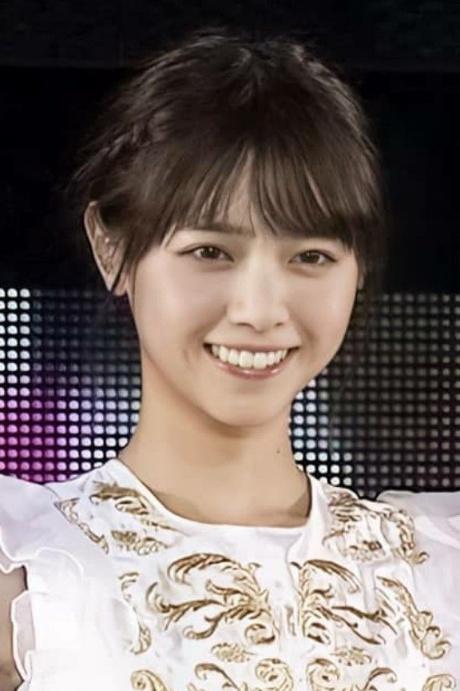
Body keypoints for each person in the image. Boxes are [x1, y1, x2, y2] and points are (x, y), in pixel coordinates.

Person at [0, 26, 459, 691]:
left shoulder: (438, 568)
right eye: (210, 252)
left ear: (358, 269)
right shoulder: (31, 576)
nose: (260, 309)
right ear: (111, 247)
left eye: (311, 256)